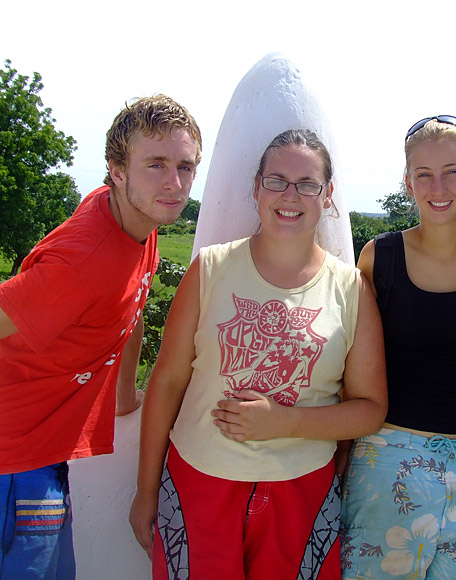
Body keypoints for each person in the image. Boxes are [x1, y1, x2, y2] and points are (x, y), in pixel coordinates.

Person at [129, 129, 387, 580]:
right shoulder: (209, 268)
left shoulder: (350, 290)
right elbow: (167, 381)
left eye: (308, 183)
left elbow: (369, 410)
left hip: (301, 496)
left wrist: (284, 421)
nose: (291, 195)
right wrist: (145, 490)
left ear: (327, 196)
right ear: (256, 187)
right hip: (198, 484)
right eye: (277, 180)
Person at [0, 94, 202, 579]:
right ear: (116, 169)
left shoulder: (138, 220)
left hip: (41, 453)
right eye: (155, 165)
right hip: (13, 456)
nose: (174, 184)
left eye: (185, 166)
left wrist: (122, 395)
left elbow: (132, 304)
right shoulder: (83, 262)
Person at [340, 116, 456, 580]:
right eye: (422, 174)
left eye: (451, 171)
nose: (437, 186)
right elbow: (356, 368)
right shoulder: (378, 257)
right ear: (407, 182)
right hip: (383, 457)